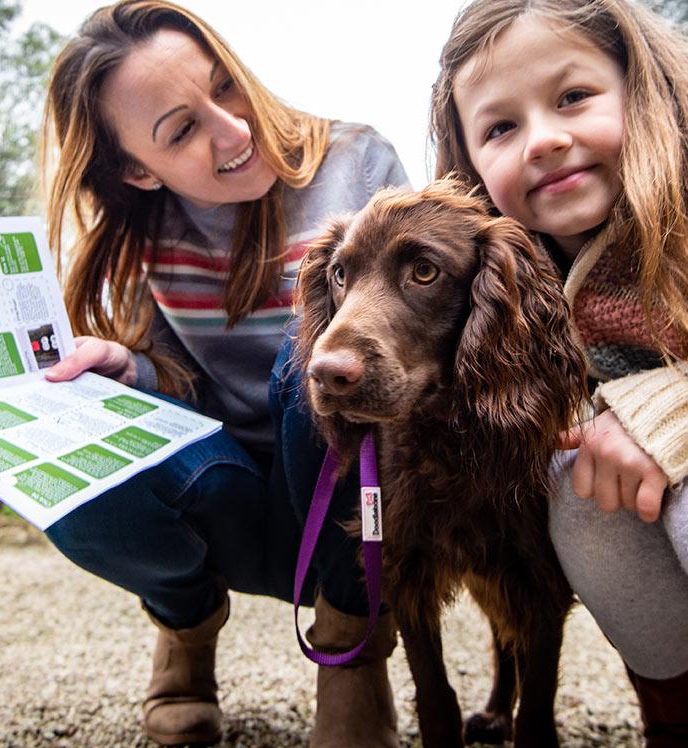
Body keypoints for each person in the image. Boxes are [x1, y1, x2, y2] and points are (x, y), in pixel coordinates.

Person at [38, 1, 408, 746]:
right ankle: (184, 626)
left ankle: (350, 651)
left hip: (349, 491)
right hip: (227, 491)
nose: (234, 130)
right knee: (65, 462)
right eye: (181, 129)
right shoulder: (141, 240)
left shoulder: (358, 160)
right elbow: (180, 388)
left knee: (314, 353)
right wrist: (128, 369)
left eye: (226, 87)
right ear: (138, 170)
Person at [429, 0, 688, 744]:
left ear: (640, 88)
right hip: (626, 475)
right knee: (577, 490)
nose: (543, 139)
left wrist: (664, 409)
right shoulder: (513, 273)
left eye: (572, 97)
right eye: (500, 128)